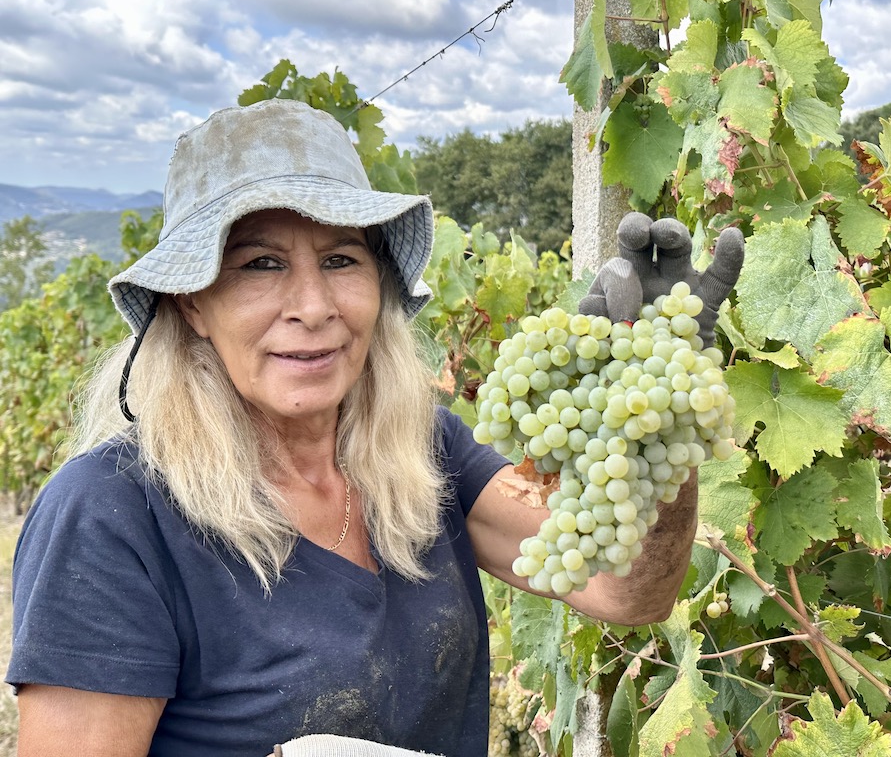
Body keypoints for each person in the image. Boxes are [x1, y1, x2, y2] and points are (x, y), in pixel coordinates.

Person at [6, 99, 742, 756]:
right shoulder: (111, 515)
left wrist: (652, 417)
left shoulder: (427, 451)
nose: (314, 305)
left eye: (341, 259)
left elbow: (624, 594)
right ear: (192, 304)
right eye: (260, 263)